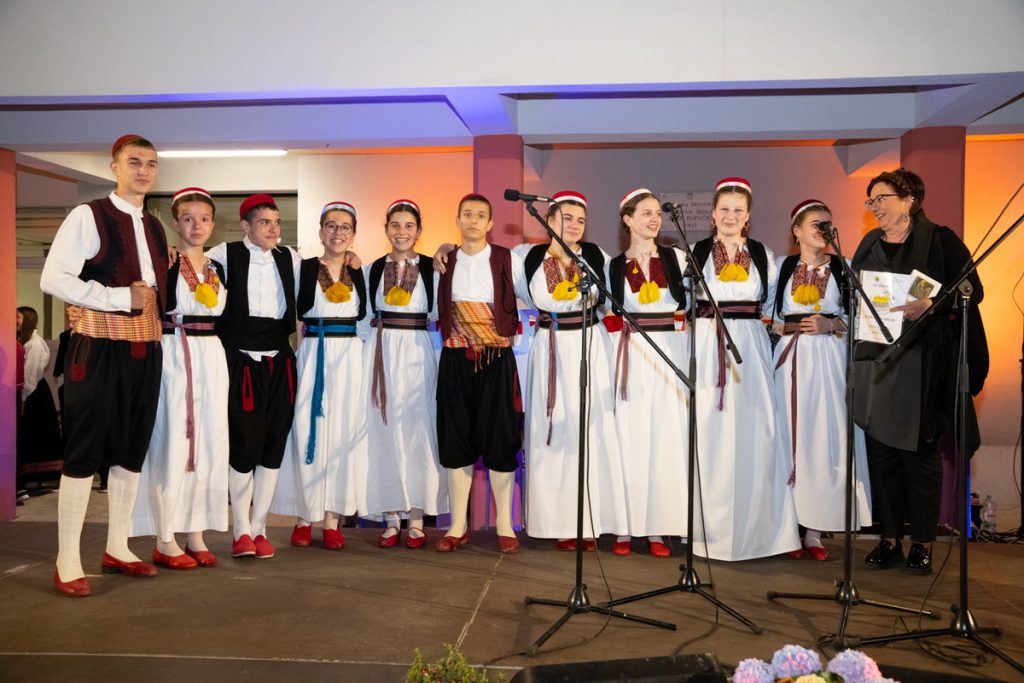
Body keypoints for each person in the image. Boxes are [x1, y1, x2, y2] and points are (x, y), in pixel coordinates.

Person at [40, 134, 169, 596]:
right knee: (84, 449)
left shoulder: (154, 226)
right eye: (134, 162)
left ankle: (118, 547)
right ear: (114, 166)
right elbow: (53, 277)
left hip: (145, 348)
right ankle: (67, 559)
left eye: (151, 163)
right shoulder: (88, 214)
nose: (143, 170)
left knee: (131, 450)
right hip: (96, 347)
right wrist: (115, 297)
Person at [852, 168, 982, 575]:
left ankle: (922, 542)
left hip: (921, 364)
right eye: (871, 200)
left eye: (882, 198)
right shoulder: (869, 243)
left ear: (908, 199)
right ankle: (889, 539)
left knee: (919, 458)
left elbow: (972, 290)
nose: (874, 207)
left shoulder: (939, 239)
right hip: (876, 360)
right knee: (882, 457)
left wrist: (932, 304)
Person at [690, 177, 800, 561]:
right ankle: (708, 532)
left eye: (738, 210)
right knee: (711, 429)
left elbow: (769, 306)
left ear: (748, 216)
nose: (730, 216)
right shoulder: (696, 252)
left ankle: (760, 531)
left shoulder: (762, 254)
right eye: (724, 209)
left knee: (756, 428)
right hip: (708, 342)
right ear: (713, 214)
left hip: (750, 345)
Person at [514, 191, 626, 552]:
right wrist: (445, 250)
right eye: (566, 218)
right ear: (549, 221)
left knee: (590, 430)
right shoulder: (527, 257)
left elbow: (614, 297)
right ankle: (555, 522)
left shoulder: (596, 256)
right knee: (552, 432)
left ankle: (589, 523)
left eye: (580, 219)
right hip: (549, 346)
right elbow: (487, 268)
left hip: (590, 344)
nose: (574, 225)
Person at [130, 188, 229, 569]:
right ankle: (165, 536)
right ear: (175, 223)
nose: (196, 226)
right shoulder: (164, 263)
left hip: (211, 355)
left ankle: (196, 532)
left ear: (213, 224)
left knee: (208, 442)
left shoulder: (217, 267)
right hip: (175, 350)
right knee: (173, 439)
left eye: (203, 219)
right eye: (188, 219)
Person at [772, 200, 871, 561]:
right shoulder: (781, 268)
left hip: (829, 359)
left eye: (827, 224)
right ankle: (787, 528)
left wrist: (831, 323)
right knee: (788, 437)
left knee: (823, 438)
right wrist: (780, 328)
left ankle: (814, 531)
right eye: (815, 223)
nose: (822, 229)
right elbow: (766, 312)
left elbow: (862, 316)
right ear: (796, 230)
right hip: (789, 360)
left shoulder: (844, 268)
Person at [433, 193, 529, 553]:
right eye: (467, 214)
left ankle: (505, 524)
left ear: (490, 223)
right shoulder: (443, 261)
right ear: (457, 220)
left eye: (480, 215)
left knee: (501, 438)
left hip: (497, 360)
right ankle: (458, 525)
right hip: (455, 360)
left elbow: (533, 296)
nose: (473, 220)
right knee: (455, 439)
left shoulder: (507, 259)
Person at [207, 194, 300, 560]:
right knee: (244, 443)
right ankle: (240, 530)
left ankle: (260, 528)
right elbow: (192, 266)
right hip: (241, 359)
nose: (273, 229)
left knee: (274, 442)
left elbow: (327, 267)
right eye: (265, 222)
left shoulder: (290, 258)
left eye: (276, 223)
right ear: (246, 226)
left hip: (280, 359)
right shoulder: (223, 254)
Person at [272, 201, 368, 551]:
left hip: (349, 358)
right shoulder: (304, 267)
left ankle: (331, 519)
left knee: (342, 433)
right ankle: (303, 516)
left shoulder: (360, 270)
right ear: (320, 231)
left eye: (345, 227)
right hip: (313, 352)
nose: (337, 233)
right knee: (306, 429)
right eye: (331, 226)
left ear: (353, 234)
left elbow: (368, 318)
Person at [604, 189, 689, 557]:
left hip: (670, 350)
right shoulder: (612, 265)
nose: (655, 219)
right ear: (628, 219)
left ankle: (658, 529)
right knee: (630, 437)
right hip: (631, 353)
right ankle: (625, 528)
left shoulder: (678, 259)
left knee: (665, 439)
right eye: (646, 213)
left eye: (658, 213)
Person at [362, 200, 447, 549]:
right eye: (395, 225)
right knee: (382, 429)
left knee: (418, 429)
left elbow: (441, 312)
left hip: (416, 350)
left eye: (409, 225)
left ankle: (416, 518)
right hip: (380, 351)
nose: (401, 232)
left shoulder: (433, 268)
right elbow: (362, 317)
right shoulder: (369, 269)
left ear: (419, 230)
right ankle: (390, 517)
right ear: (386, 229)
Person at [16, 306, 62, 494]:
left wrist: (23, 398)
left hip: (34, 393)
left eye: (18, 317)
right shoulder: (24, 341)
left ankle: (36, 478)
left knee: (36, 434)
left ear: (27, 319)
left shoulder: (35, 343)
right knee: (31, 434)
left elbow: (31, 374)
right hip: (31, 393)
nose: (15, 321)